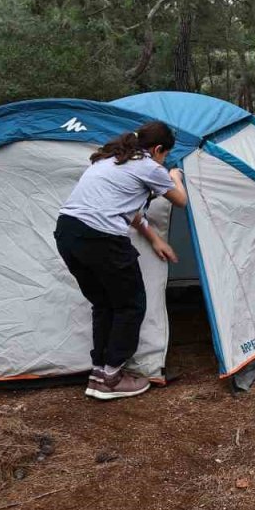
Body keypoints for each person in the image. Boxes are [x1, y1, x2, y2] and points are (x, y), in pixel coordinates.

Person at [55, 122, 187, 401]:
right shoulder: (150, 166)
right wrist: (174, 176)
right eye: (165, 155)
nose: (163, 161)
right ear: (158, 149)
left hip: (67, 233)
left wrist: (154, 239)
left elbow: (126, 210)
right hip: (101, 238)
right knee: (131, 305)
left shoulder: (109, 160)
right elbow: (180, 200)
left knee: (104, 304)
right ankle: (112, 378)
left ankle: (99, 372)